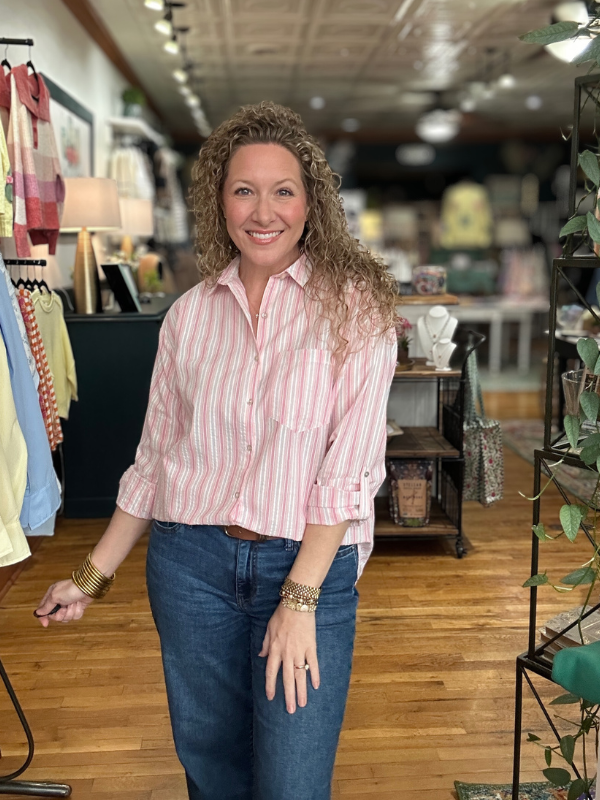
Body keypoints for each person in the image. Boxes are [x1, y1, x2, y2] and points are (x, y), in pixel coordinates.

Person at [35, 101, 398, 800]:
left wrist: (299, 599)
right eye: (243, 190)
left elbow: (349, 472)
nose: (264, 212)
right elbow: (155, 462)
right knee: (212, 776)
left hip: (306, 566)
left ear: (311, 202)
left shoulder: (357, 309)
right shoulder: (188, 317)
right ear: (219, 202)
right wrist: (89, 577)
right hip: (190, 568)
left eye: (283, 190)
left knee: (292, 784)